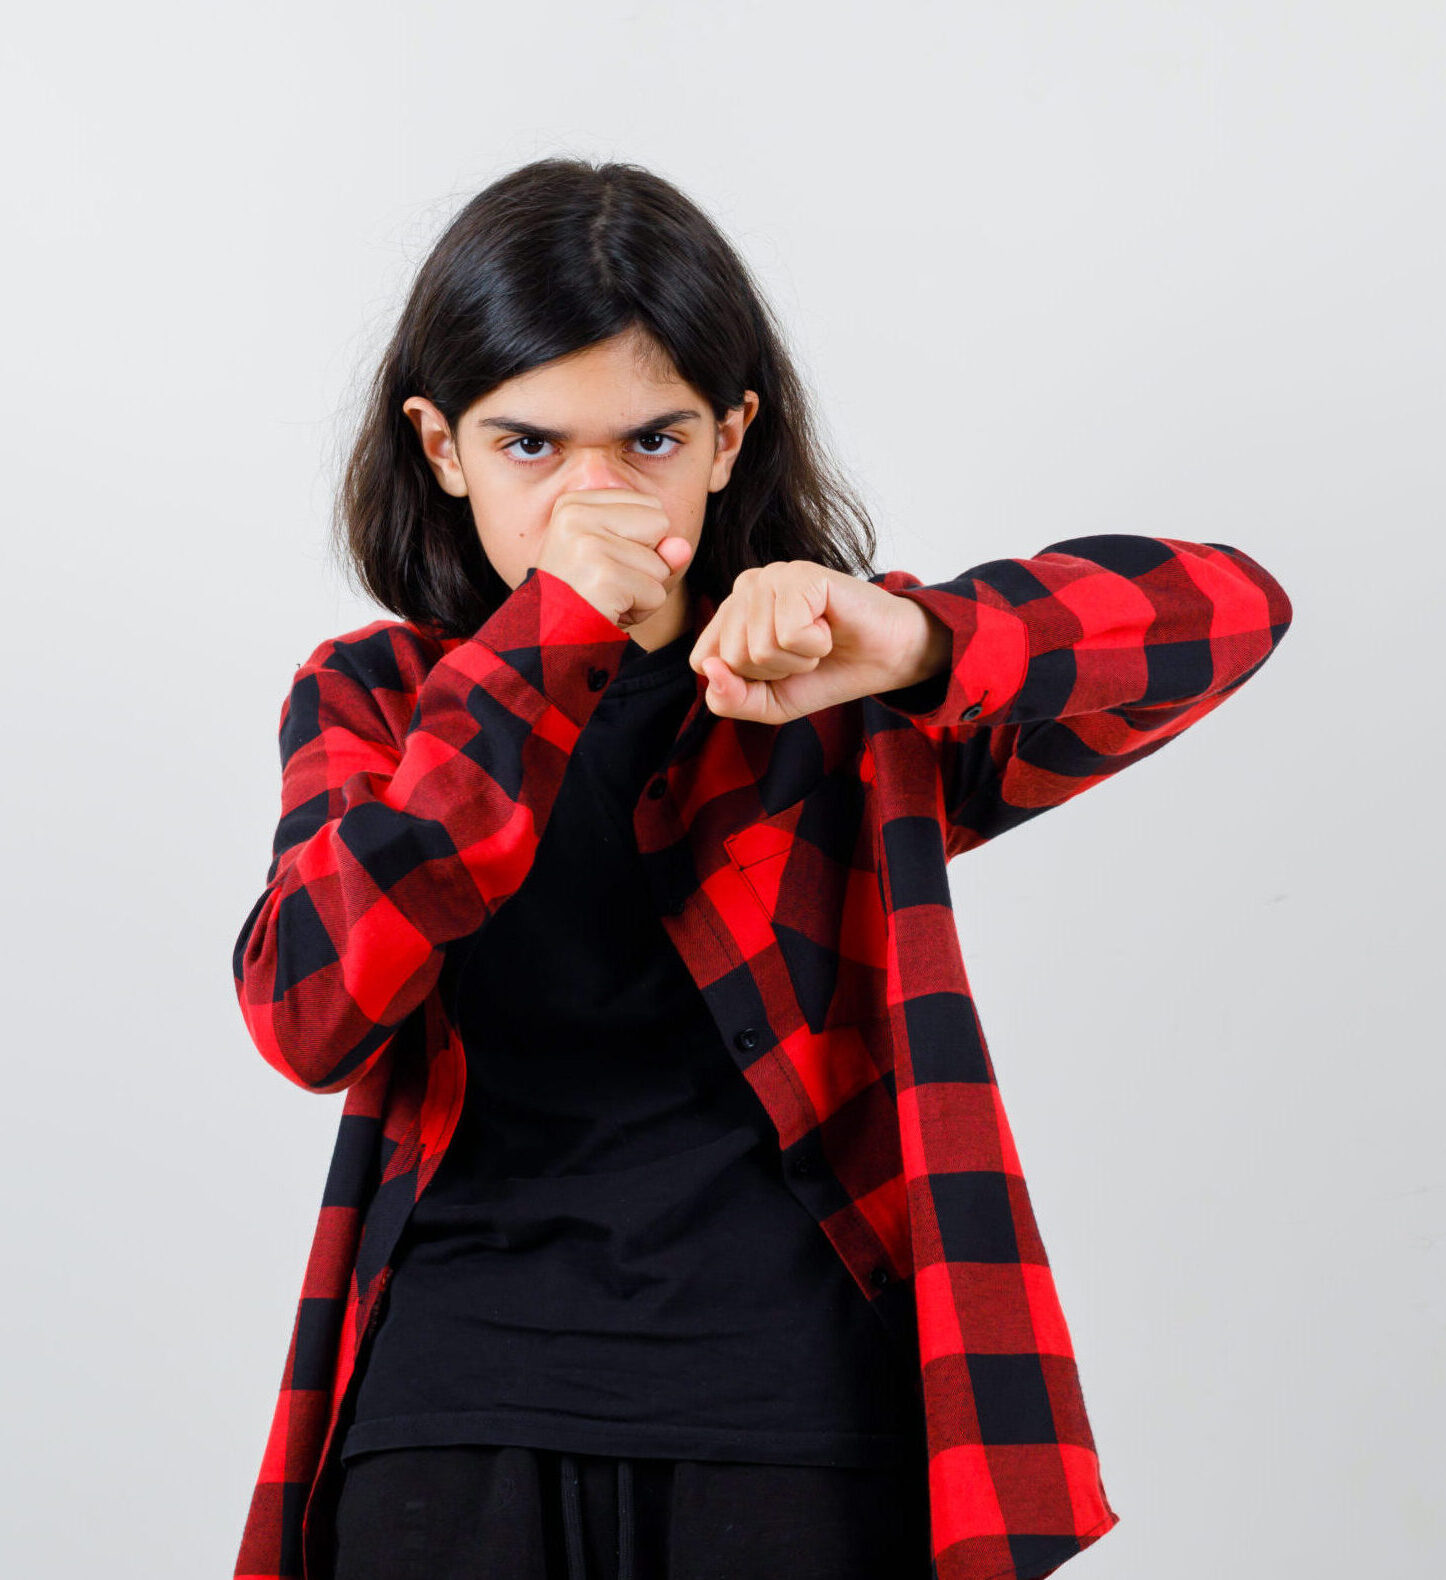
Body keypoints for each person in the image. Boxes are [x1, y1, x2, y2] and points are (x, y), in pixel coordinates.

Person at [230, 157, 1293, 1580]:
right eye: (531, 447)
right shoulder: (379, 696)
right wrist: (543, 653)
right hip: (452, 1410)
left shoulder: (825, 684)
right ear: (441, 448)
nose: (594, 498)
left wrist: (918, 643)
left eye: (651, 441)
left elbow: (1224, 610)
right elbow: (306, 1012)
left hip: (790, 1417)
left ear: (731, 437)